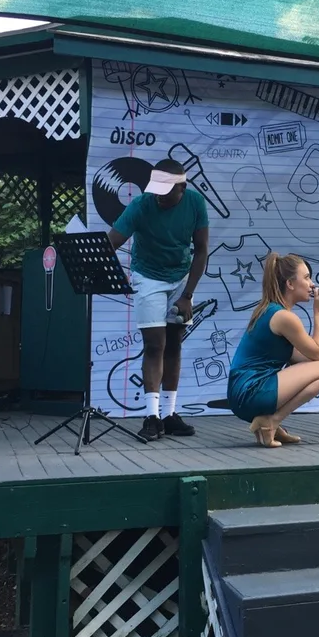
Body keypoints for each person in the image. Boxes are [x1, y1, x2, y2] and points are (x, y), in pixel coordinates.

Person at [108, 158, 209, 441]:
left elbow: (201, 251)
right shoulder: (141, 204)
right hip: (148, 276)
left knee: (174, 343)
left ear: (182, 188)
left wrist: (188, 295)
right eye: (156, 191)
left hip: (180, 276)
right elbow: (112, 242)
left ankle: (169, 414)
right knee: (155, 344)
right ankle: (151, 416)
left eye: (166, 193)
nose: (160, 197)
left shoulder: (195, 203)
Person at [227, 253, 319, 447]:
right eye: (306, 278)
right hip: (250, 392)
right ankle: (271, 421)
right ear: (289, 284)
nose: (312, 284)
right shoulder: (283, 316)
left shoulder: (271, 310)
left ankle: (269, 423)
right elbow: (317, 351)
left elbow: (306, 357)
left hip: (242, 393)